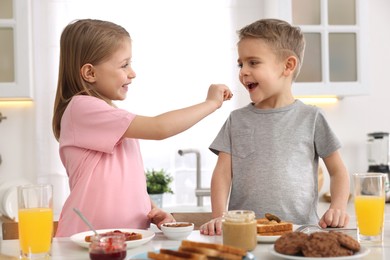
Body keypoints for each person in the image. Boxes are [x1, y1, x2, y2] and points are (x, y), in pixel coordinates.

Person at [52, 19, 233, 237]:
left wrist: (149, 208)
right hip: (87, 241)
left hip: (123, 240)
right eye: (123, 65)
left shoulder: (112, 120)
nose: (132, 72)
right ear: (90, 73)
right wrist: (211, 103)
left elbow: (122, 179)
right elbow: (160, 128)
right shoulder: (82, 108)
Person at [200, 18, 350, 236]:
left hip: (301, 232)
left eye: (253, 62)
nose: (243, 71)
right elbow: (222, 174)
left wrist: (338, 207)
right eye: (240, 64)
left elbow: (338, 171)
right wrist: (219, 215)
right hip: (244, 233)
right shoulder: (236, 119)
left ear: (287, 66)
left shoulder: (312, 117)